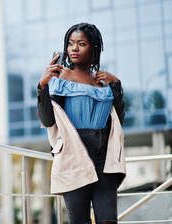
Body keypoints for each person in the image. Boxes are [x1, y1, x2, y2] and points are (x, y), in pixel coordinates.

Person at [37, 23, 126, 224]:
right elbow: (47, 119)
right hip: (73, 154)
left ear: (94, 47)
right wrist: (42, 86)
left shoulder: (102, 81)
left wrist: (116, 85)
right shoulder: (60, 77)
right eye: (70, 44)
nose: (74, 48)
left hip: (105, 158)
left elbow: (118, 120)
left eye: (81, 43)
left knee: (109, 220)